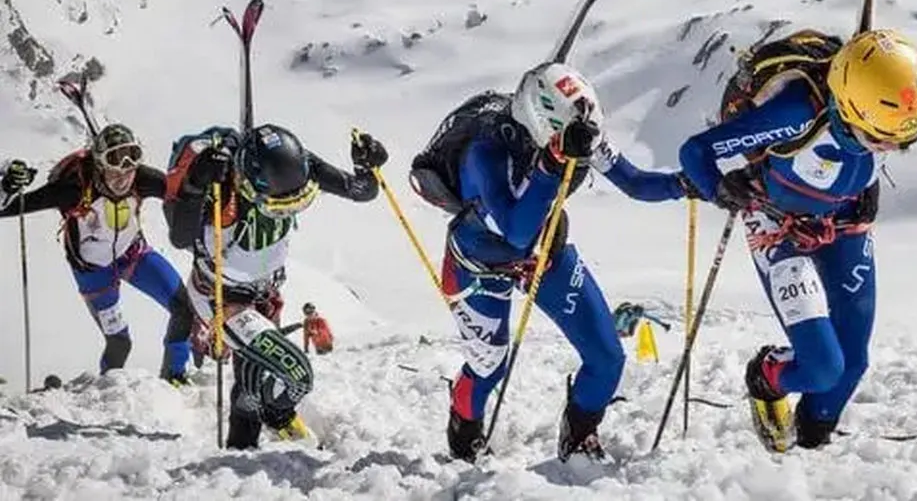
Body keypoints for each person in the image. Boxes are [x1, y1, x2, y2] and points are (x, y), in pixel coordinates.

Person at [676, 28, 917, 452]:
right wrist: (718, 189)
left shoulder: (900, 101)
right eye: (883, 139)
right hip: (777, 227)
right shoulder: (794, 117)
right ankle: (766, 377)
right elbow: (694, 152)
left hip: (847, 221)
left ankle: (811, 443)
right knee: (822, 367)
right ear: (852, 112)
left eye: (904, 140)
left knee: (853, 362)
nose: (892, 146)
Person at [408, 61, 694, 463]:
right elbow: (516, 230)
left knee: (607, 356)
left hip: (544, 254)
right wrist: (550, 166)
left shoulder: (578, 132)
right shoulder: (485, 155)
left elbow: (634, 182)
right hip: (478, 263)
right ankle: (463, 432)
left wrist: (690, 183)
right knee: (488, 366)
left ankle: (579, 435)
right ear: (543, 123)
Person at [162, 122, 387, 449]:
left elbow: (361, 190)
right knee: (295, 372)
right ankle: (277, 415)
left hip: (265, 293)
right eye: (277, 206)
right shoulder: (221, 181)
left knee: (251, 380)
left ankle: (240, 452)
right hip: (220, 296)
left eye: (295, 205)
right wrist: (197, 183)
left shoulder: (298, 166)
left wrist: (368, 165)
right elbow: (180, 236)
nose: (286, 210)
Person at [0, 124, 193, 384]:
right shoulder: (73, 190)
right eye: (115, 166)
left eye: (130, 164)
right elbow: (7, 208)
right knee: (120, 342)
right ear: (100, 165)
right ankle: (109, 392)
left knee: (183, 308)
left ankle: (175, 377)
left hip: (133, 256)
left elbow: (184, 194)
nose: (123, 176)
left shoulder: (143, 178)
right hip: (93, 272)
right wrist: (8, 186)